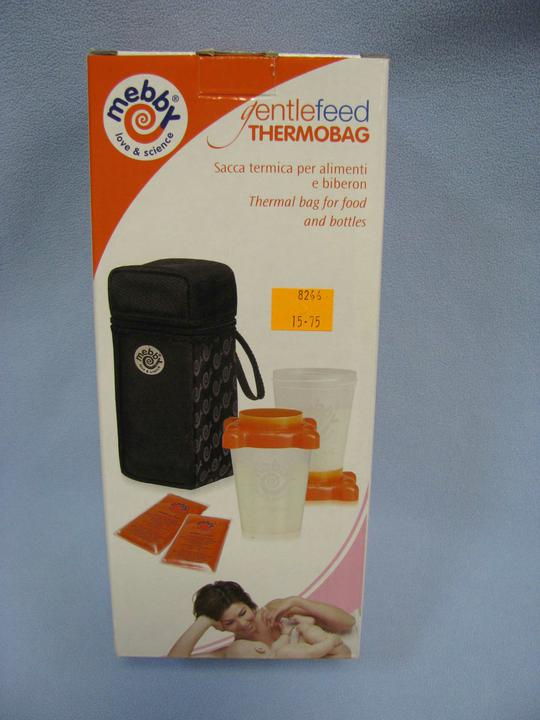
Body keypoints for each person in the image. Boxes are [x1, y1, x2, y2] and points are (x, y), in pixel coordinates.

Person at [167, 581, 355, 658]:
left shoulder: (276, 611)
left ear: (249, 604)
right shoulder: (238, 650)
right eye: (230, 622)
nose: (242, 624)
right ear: (220, 626)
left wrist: (296, 601)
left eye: (242, 613)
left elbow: (348, 622)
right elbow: (172, 667)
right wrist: (204, 621)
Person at [224, 616, 343, 659]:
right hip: (335, 655)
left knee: (298, 635)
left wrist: (285, 633)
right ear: (259, 649)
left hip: (321, 654)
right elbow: (311, 653)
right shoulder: (284, 654)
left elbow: (282, 640)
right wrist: (331, 642)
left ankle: (308, 625)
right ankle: (311, 626)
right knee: (305, 630)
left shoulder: (274, 651)